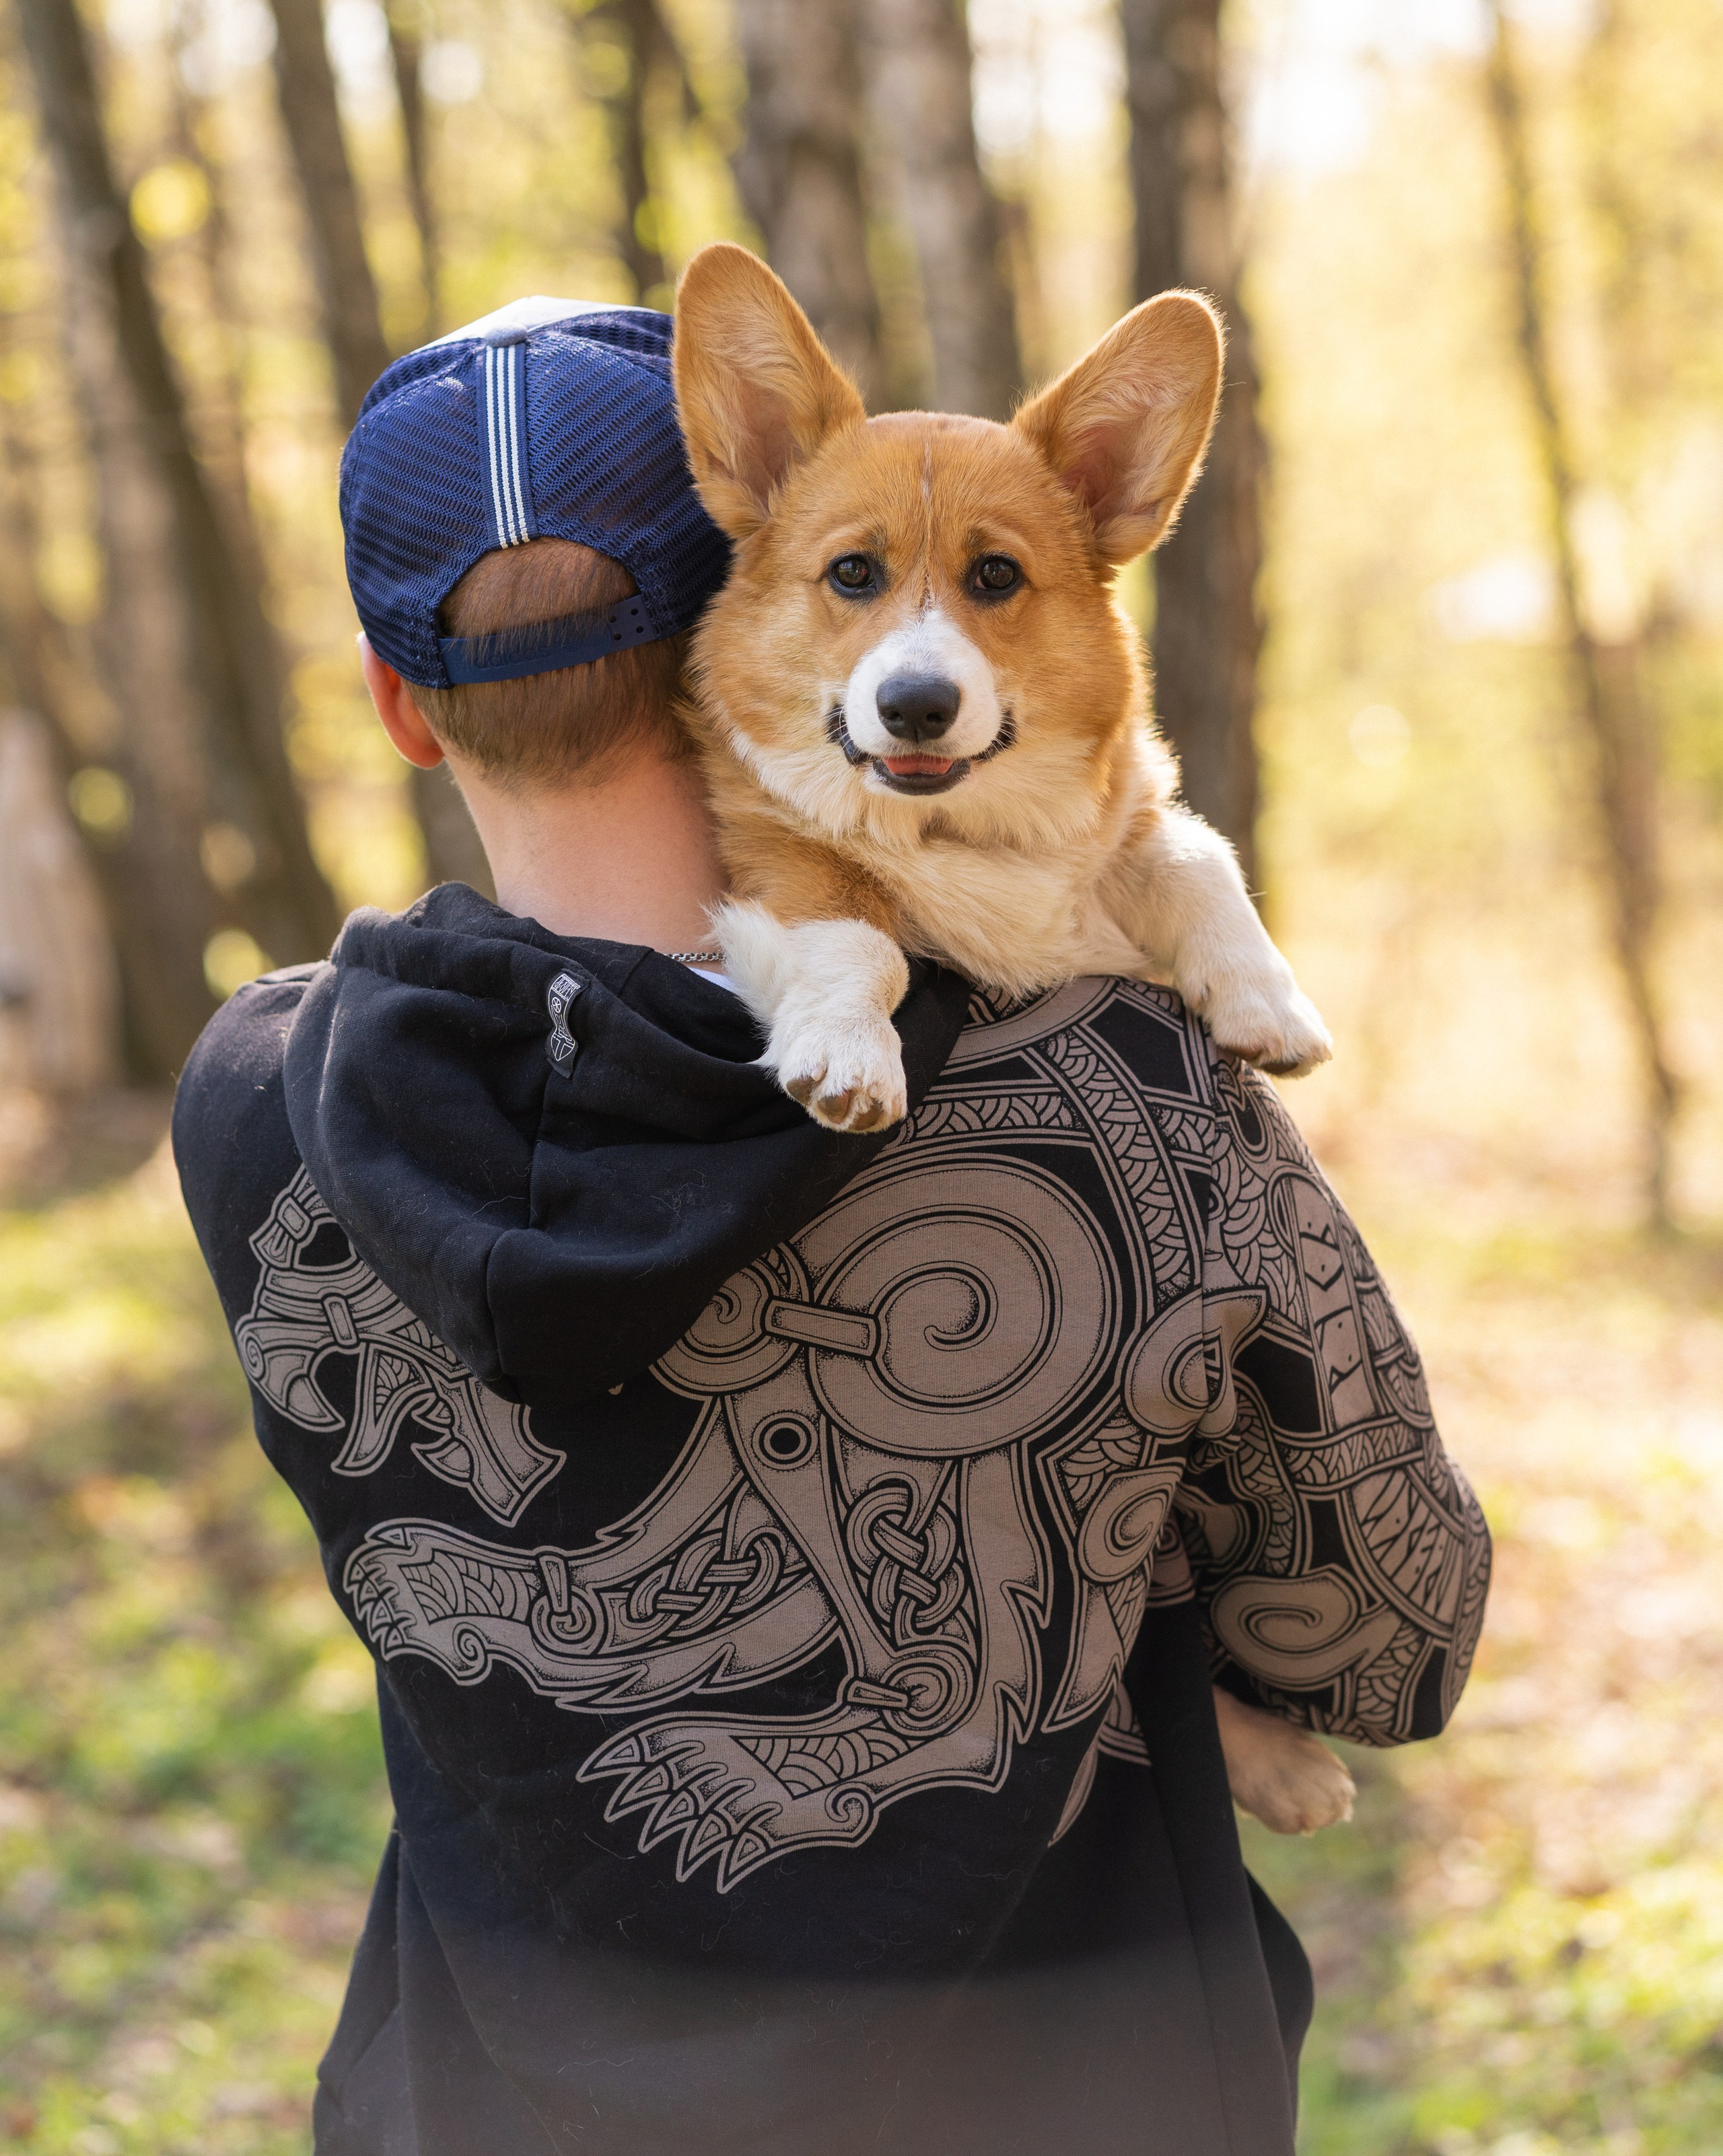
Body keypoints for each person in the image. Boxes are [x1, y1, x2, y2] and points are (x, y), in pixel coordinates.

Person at [173, 298, 1490, 2156]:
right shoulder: (1120, 1092)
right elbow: (1395, 1639)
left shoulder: (263, 1106)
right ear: (737, 626)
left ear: (398, 704)